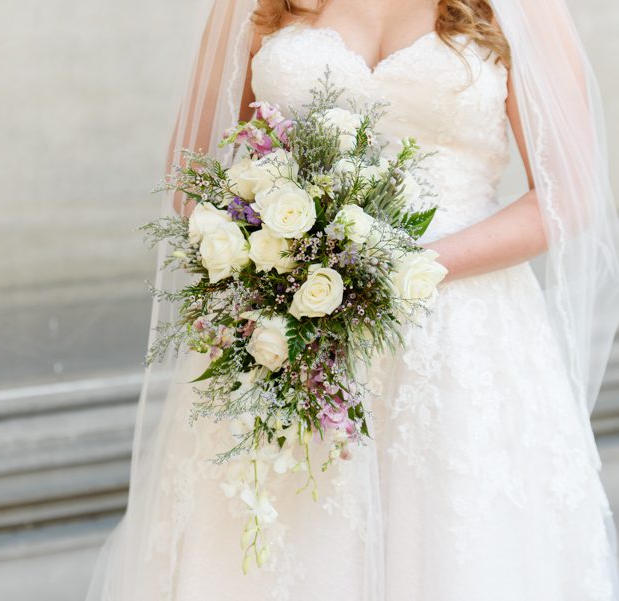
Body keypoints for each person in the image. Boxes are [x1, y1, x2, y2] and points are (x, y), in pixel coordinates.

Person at [86, 1, 619, 599]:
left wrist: (401, 270)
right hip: (288, 332)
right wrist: (272, 254)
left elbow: (567, 196)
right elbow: (192, 171)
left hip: (463, 339)